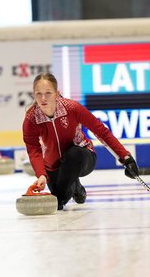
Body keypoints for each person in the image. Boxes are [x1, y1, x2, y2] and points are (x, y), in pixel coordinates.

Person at [23, 73, 139, 210]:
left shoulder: (72, 108)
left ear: (56, 94)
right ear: (33, 95)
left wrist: (126, 157)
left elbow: (101, 131)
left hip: (82, 157)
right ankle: (75, 186)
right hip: (53, 165)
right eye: (38, 94)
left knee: (71, 160)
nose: (43, 98)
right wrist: (41, 175)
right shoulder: (31, 119)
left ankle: (61, 196)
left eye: (48, 93)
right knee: (61, 191)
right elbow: (33, 150)